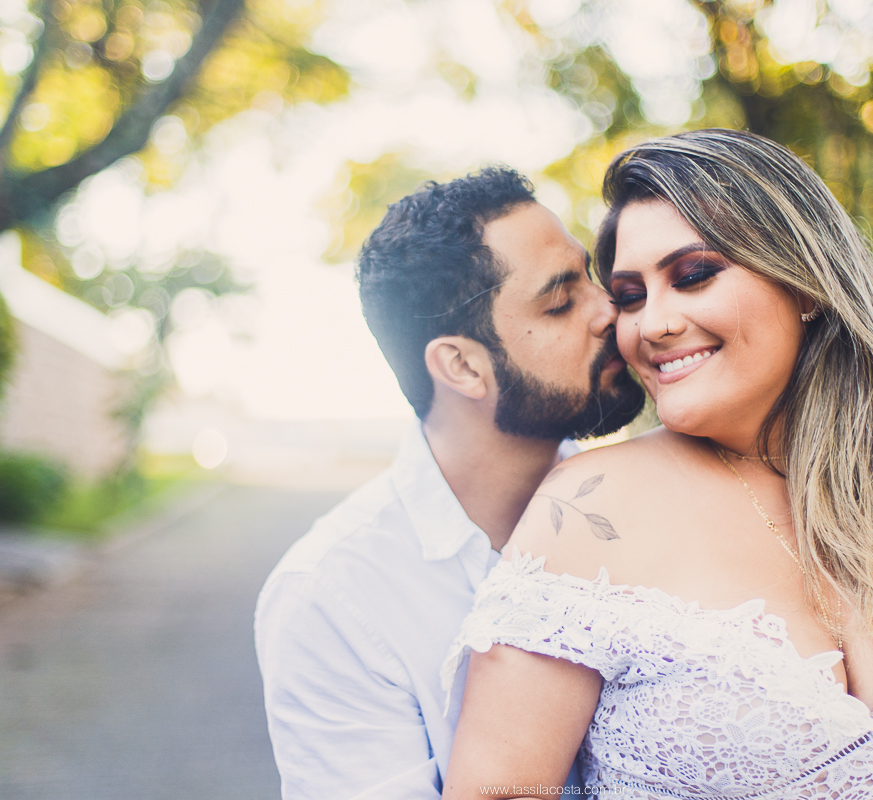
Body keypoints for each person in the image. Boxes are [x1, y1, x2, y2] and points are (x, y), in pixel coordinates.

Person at [440, 131, 873, 800]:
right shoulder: (587, 508)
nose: (653, 324)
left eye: (693, 275)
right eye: (631, 296)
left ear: (804, 282)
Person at [254, 167, 646, 799]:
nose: (611, 310)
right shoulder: (330, 597)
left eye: (591, 280)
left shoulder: (653, 501)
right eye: (560, 302)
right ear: (462, 366)